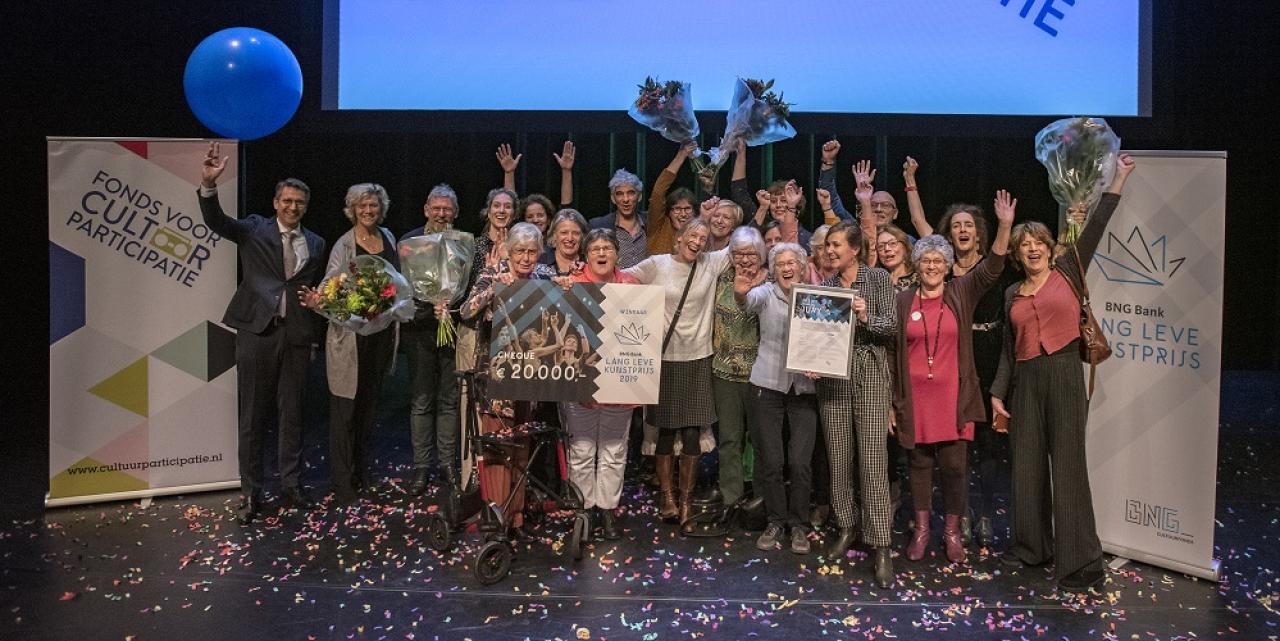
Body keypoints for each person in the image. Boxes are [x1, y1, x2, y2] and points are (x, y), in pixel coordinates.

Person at [991, 154, 1136, 592]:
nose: (1031, 248)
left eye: (1038, 241)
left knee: (1069, 467)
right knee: (1027, 469)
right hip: (1026, 383)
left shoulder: (1069, 271)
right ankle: (1032, 548)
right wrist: (998, 393)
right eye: (1024, 245)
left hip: (1064, 375)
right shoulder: (1013, 293)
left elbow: (1097, 225)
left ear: (1051, 247)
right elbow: (1007, 352)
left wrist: (1119, 177)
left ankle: (1081, 561)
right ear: (1017, 255)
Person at [197, 142, 326, 524]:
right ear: (275, 203)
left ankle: (291, 486)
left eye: (299, 202)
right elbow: (217, 221)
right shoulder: (254, 229)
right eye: (286, 201)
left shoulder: (316, 243)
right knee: (253, 416)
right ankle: (251, 493)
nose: (292, 207)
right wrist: (208, 184)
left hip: (297, 336)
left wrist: (317, 301)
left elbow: (307, 288)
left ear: (305, 205)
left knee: (293, 414)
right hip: (257, 332)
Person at [889, 192, 1014, 564]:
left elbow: (992, 267)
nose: (930, 267)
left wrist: (1005, 224)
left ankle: (953, 532)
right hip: (914, 397)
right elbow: (892, 358)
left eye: (937, 261)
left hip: (952, 397)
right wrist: (891, 404)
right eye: (924, 260)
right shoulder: (902, 300)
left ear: (947, 266)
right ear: (917, 265)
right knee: (919, 464)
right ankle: (923, 530)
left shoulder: (961, 292)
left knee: (956, 466)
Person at [624, 217, 732, 524]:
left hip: (698, 358)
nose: (697, 241)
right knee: (665, 431)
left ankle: (686, 501)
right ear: (679, 237)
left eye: (703, 238)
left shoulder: (710, 264)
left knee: (692, 432)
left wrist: (761, 210)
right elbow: (619, 279)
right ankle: (667, 497)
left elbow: (743, 241)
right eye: (693, 235)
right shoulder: (656, 265)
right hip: (664, 359)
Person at [303, 183, 402, 505]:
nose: (369, 211)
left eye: (373, 206)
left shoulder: (388, 237)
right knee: (345, 412)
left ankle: (362, 474)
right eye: (363, 206)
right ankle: (343, 483)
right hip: (350, 341)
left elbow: (397, 283)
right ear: (352, 209)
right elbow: (330, 288)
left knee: (367, 412)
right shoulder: (344, 244)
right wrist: (329, 302)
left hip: (380, 337)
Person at [814, 220, 897, 588]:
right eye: (828, 246)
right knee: (838, 455)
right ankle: (846, 527)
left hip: (871, 376)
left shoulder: (877, 280)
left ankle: (880, 544)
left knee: (873, 461)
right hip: (834, 378)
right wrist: (811, 363)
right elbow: (815, 335)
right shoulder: (827, 287)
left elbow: (891, 325)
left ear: (854, 249)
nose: (830, 251)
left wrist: (866, 315)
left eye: (836, 246)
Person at [460, 222, 557, 536]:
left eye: (532, 251)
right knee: (499, 448)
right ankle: (497, 516)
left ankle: (515, 517)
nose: (526, 258)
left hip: (529, 378)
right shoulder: (493, 273)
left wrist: (566, 285)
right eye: (520, 251)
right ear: (509, 251)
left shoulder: (543, 276)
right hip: (497, 379)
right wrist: (493, 289)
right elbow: (465, 311)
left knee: (521, 447)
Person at [736, 242, 820, 555]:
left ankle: (799, 524)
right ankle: (775, 521)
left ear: (801, 266)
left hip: (803, 390)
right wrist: (741, 291)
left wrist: (825, 362)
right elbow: (747, 301)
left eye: (791, 262)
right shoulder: (765, 293)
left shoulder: (817, 297)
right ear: (774, 270)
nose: (786, 267)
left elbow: (830, 339)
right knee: (771, 461)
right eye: (780, 263)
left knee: (799, 462)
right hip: (767, 385)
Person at [562, 229, 641, 540]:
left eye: (607, 247)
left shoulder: (632, 286)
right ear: (586, 255)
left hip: (620, 385)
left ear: (616, 254)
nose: (601, 253)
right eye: (594, 248)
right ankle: (584, 510)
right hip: (581, 385)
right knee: (581, 449)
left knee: (613, 450)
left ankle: (606, 510)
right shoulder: (573, 285)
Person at [400, 184, 465, 495]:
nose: (441, 214)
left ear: (455, 212)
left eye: (447, 209)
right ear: (426, 209)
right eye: (436, 208)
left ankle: (448, 466)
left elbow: (468, 285)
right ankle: (422, 467)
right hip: (420, 333)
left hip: (452, 330)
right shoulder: (410, 243)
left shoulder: (463, 243)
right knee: (422, 401)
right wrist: (429, 308)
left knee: (450, 401)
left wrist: (450, 306)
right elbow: (400, 293)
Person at [711, 227, 765, 508]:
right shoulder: (719, 279)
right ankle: (731, 498)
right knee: (729, 440)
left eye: (751, 253)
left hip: (760, 374)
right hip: (724, 372)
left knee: (759, 442)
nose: (745, 259)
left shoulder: (771, 280)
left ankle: (759, 499)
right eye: (739, 253)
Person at [457, 188, 519, 372]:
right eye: (496, 205)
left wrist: (505, 262)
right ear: (488, 211)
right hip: (473, 328)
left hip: (510, 330)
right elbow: (462, 287)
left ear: (514, 213)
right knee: (471, 393)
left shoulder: (519, 247)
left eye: (507, 207)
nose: (501, 211)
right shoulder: (473, 246)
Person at [497, 140, 577, 236]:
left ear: (548, 219)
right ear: (523, 221)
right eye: (530, 216)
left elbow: (566, 208)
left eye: (540, 215)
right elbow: (510, 205)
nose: (535, 220)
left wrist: (566, 170)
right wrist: (509, 173)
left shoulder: (555, 243)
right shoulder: (519, 241)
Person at [646, 143, 699, 256]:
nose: (683, 214)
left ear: (695, 212)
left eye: (687, 208)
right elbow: (658, 193)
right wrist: (682, 155)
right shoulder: (659, 226)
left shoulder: (699, 235)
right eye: (677, 209)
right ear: (669, 212)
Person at [588, 169, 647, 268]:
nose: (625, 199)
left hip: (648, 283)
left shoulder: (650, 222)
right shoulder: (599, 225)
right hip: (613, 282)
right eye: (619, 194)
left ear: (639, 196)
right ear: (613, 198)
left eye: (631, 193)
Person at [540, 209, 588, 275]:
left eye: (576, 233)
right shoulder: (539, 260)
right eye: (564, 233)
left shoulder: (589, 263)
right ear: (554, 235)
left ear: (583, 236)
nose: (570, 238)